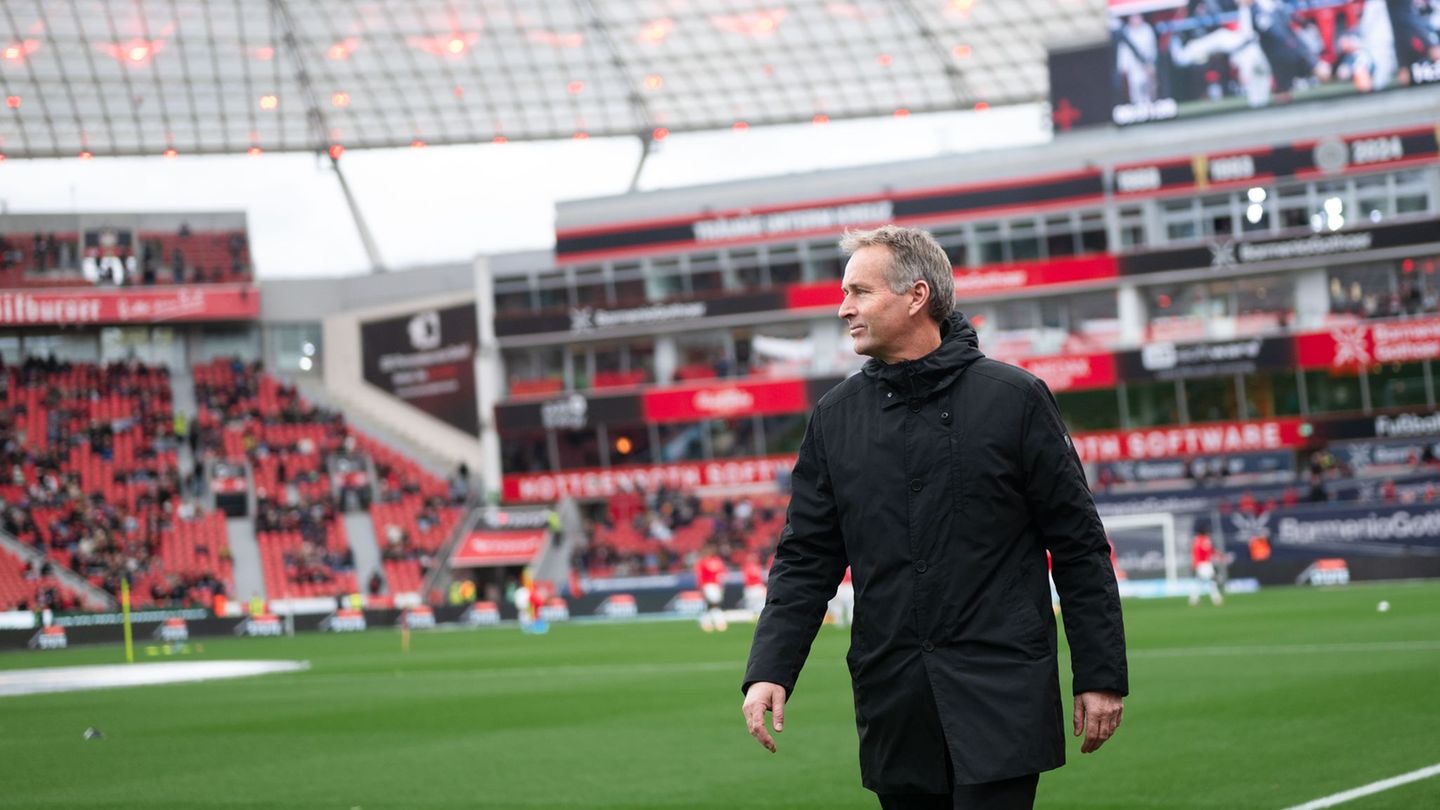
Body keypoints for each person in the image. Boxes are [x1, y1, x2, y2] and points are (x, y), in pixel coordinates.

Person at [741, 225, 1128, 810]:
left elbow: (1078, 547)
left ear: (916, 296)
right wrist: (770, 668)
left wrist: (1100, 674)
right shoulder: (835, 417)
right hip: (894, 697)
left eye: (859, 292)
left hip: (1002, 690)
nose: (844, 308)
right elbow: (806, 559)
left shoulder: (1015, 399)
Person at [695, 545, 729, 633]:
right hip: (708, 585)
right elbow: (700, 576)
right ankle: (718, 622)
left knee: (712, 604)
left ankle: (706, 622)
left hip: (716, 585)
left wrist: (721, 584)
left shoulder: (717, 561)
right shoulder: (702, 562)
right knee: (713, 604)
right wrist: (701, 587)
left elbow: (723, 573)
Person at [1189, 527, 1225, 607]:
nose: (1208, 533)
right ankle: (1216, 598)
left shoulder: (1198, 540)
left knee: (1200, 582)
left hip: (1204, 564)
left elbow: (1208, 551)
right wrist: (1195, 564)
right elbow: (1198, 552)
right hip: (1204, 564)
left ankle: (1193, 599)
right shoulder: (1202, 540)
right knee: (1212, 581)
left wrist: (1219, 555)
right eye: (1207, 532)